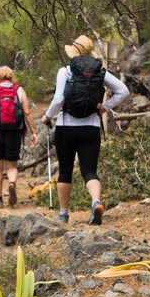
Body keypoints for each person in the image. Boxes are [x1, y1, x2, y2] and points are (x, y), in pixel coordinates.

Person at [41, 35, 129, 225]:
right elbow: (123, 91)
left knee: (65, 171)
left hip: (66, 128)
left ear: (73, 53)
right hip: (91, 127)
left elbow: (58, 99)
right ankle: (96, 202)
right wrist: (104, 107)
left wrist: (47, 116)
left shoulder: (65, 71)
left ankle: (63, 214)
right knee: (89, 171)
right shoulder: (100, 71)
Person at [0, 66, 39, 208]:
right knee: (12, 165)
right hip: (14, 132)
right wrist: (33, 132)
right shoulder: (19, 90)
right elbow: (27, 113)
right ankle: (11, 183)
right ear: (11, 76)